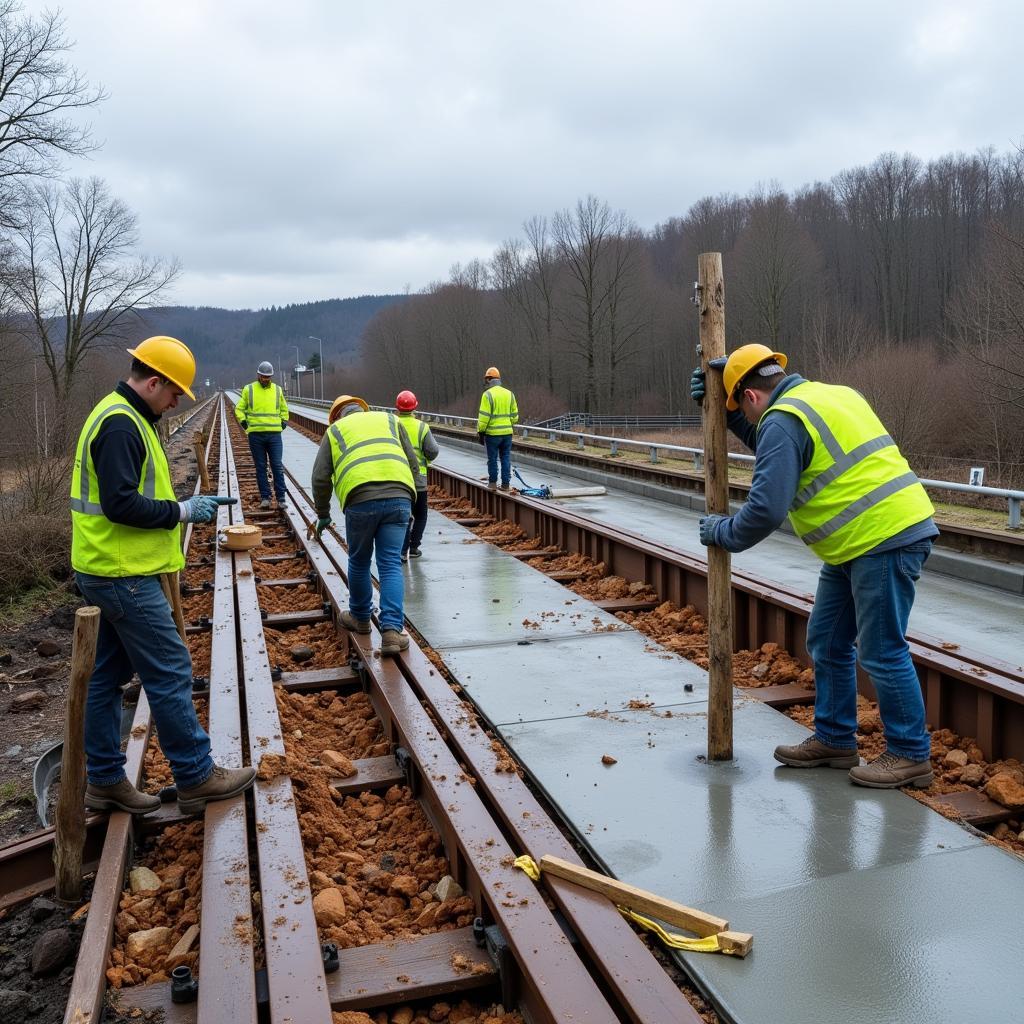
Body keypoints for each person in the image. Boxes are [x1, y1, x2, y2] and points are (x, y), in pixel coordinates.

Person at [691, 344, 938, 789]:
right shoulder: (829, 395)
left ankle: (910, 754)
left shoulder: (784, 422)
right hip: (864, 539)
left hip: (881, 537)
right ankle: (836, 739)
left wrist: (722, 533)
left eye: (740, 410)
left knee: (882, 650)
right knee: (826, 640)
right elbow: (784, 452)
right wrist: (726, 416)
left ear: (750, 396)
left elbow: (766, 508)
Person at [71, 336, 256, 815]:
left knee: (107, 676)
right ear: (153, 382)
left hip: (109, 567)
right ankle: (196, 775)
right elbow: (120, 504)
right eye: (174, 392)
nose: (176, 402)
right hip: (121, 573)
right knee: (170, 668)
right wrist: (182, 510)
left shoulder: (128, 416)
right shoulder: (120, 425)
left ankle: (106, 779)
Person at [311, 394, 420, 656]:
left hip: (360, 500)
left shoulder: (335, 430)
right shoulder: (389, 420)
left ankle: (360, 618)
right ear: (363, 408)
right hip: (399, 497)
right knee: (391, 563)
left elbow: (320, 477)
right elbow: (413, 464)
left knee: (360, 560)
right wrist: (409, 502)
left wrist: (323, 513)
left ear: (336, 415)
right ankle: (392, 632)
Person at [235, 360, 289, 509]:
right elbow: (239, 409)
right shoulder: (249, 389)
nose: (266, 379)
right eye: (263, 376)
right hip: (256, 436)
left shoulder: (277, 390)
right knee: (260, 467)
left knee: (277, 466)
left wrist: (284, 422)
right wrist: (244, 423)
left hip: (274, 436)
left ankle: (281, 498)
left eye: (268, 376)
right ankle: (265, 497)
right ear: (258, 375)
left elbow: (284, 409)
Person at [395, 389, 439, 562]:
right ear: (415, 407)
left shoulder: (392, 424)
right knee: (420, 515)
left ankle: (402, 550)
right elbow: (433, 451)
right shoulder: (422, 427)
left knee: (404, 516)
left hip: (399, 479)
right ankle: (414, 548)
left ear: (397, 407)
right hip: (418, 480)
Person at [477, 366, 518, 491]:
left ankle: (493, 483)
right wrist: (508, 423)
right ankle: (505, 484)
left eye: (486, 379)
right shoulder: (509, 394)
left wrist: (481, 432)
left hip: (492, 434)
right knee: (505, 458)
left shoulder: (487, 395)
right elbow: (515, 416)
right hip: (507, 434)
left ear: (489, 380)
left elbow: (484, 416)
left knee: (492, 459)